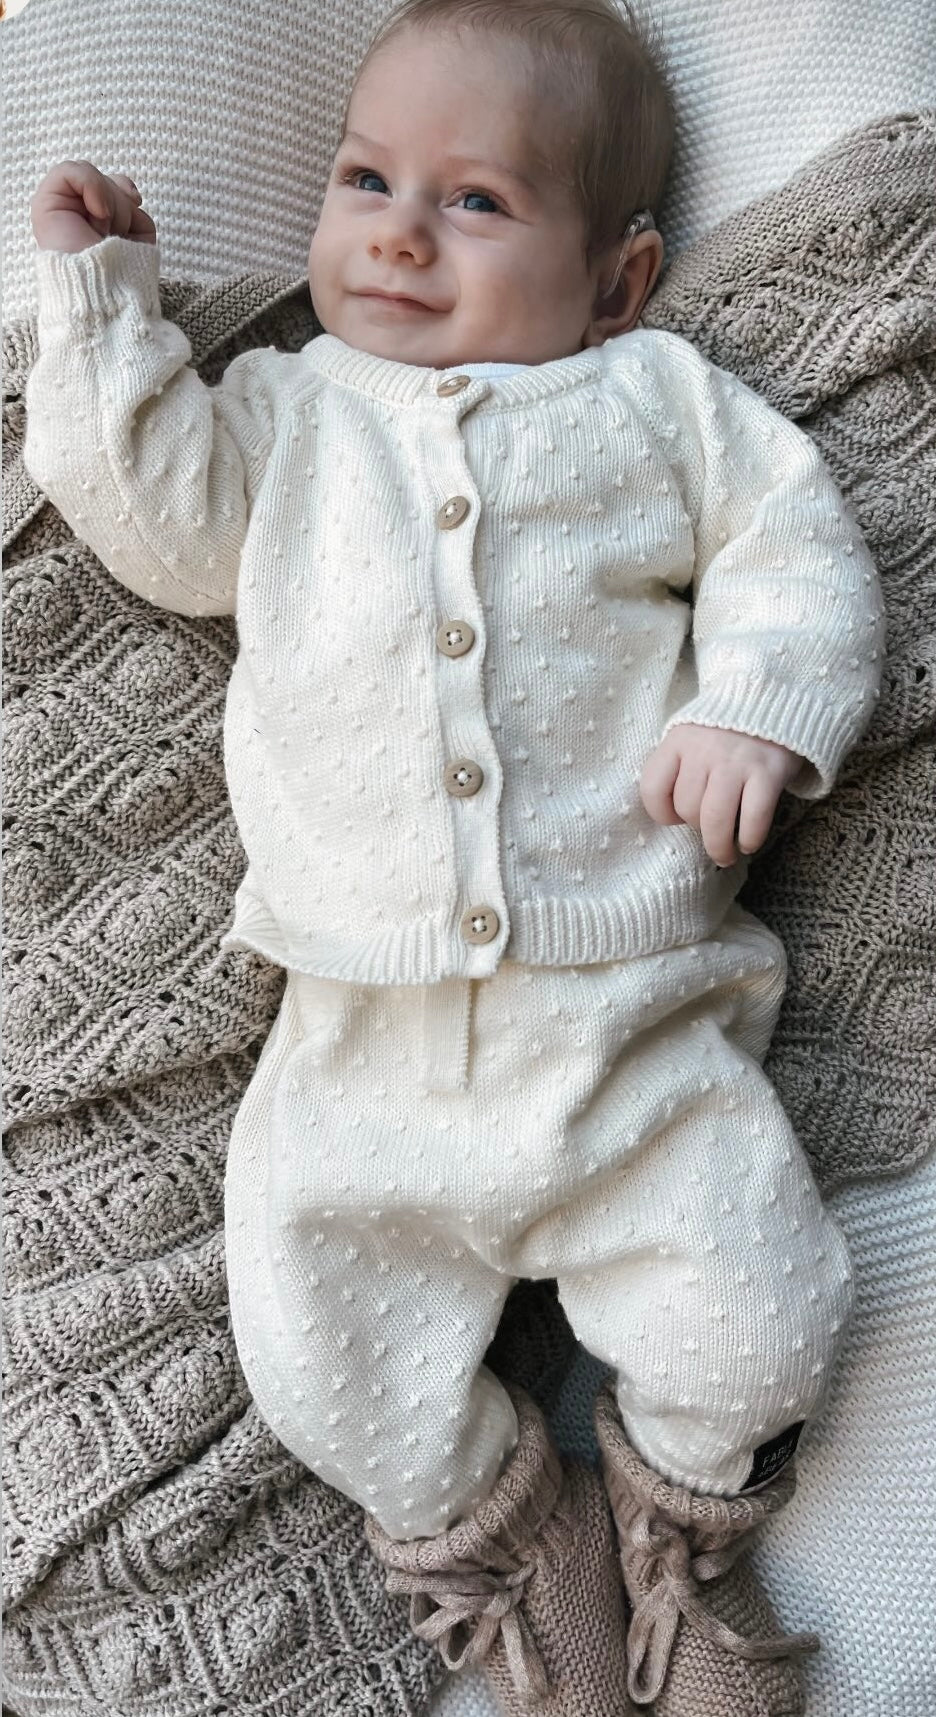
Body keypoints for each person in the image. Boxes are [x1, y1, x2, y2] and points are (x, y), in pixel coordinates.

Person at [24, 1, 885, 1711]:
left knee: (768, 1317)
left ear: (621, 279)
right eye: (367, 181)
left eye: (475, 201)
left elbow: (796, 543)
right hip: (363, 1048)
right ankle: (510, 1531)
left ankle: (677, 1527)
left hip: (630, 1021)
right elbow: (147, 505)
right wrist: (105, 308)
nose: (401, 233)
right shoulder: (286, 418)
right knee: (315, 1352)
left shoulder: (658, 402)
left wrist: (759, 708)